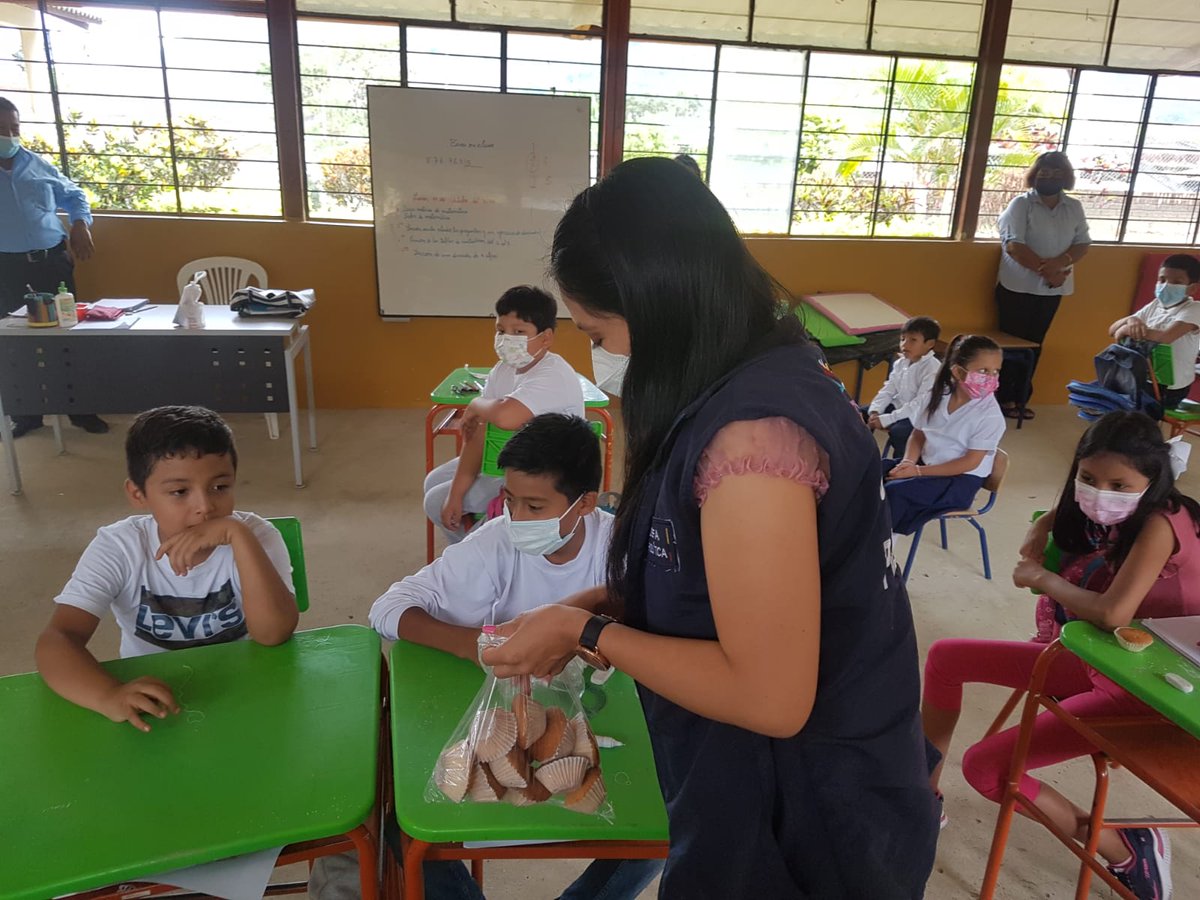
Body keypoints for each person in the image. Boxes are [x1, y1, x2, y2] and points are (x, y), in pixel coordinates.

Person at [478, 157, 939, 898]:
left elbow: (769, 699)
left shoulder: (751, 445)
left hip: (806, 816)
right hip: (767, 781)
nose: (607, 353)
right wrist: (599, 606)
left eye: (600, 330)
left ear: (662, 305)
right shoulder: (762, 368)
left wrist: (584, 633)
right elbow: (723, 577)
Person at [361, 414, 662, 900]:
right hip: (504, 722)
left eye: (535, 506)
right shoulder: (495, 543)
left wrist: (592, 622)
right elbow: (388, 609)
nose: (517, 518)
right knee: (407, 831)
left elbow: (664, 621)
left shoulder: (622, 548)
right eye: (510, 500)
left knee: (663, 824)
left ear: (585, 504)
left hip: (606, 723)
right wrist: (476, 646)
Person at [922, 411, 1198, 900]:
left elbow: (1111, 613)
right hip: (1102, 658)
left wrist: (1043, 578)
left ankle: (1127, 848)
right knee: (946, 657)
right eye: (1087, 478)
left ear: (1153, 480)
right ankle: (922, 795)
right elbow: (1077, 507)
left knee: (986, 769)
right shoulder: (1125, 508)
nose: (1099, 493)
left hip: (1149, 688)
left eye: (1118, 484)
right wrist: (1044, 523)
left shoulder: (1159, 525)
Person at [34, 405, 297, 730]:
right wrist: (108, 695)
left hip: (245, 687)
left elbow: (273, 634)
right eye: (179, 492)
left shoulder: (255, 535)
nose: (205, 507)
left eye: (220, 487)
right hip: (154, 699)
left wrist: (238, 535)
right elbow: (59, 638)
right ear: (138, 494)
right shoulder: (120, 547)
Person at [425, 285, 583, 544]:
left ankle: (488, 546)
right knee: (435, 484)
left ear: (546, 338)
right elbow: (478, 434)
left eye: (519, 332)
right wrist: (456, 494)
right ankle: (480, 545)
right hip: (506, 461)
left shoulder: (553, 374)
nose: (507, 339)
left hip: (544, 474)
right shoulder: (502, 370)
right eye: (501, 331)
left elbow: (505, 417)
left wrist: (475, 404)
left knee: (435, 500)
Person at [0, 95, 108, 437]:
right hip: (6, 268)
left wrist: (80, 225)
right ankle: (27, 415)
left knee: (66, 335)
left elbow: (75, 195)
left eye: (14, 128)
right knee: (13, 342)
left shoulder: (37, 165)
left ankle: (81, 410)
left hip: (51, 262)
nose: (9, 136)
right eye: (1, 130)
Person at [995, 150, 1091, 421]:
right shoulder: (1021, 204)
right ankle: (1001, 399)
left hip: (1053, 289)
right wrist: (1047, 271)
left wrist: (1061, 264)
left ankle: (1021, 397)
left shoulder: (1074, 207)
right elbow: (1014, 245)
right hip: (1016, 288)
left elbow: (1082, 243)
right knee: (1011, 346)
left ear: (1066, 177)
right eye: (1044, 173)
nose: (1049, 178)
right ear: (1035, 175)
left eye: (1056, 173)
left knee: (1035, 345)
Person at [882, 334, 1006, 536]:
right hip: (927, 466)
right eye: (983, 371)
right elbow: (918, 434)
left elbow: (970, 462)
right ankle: (852, 535)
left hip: (959, 481)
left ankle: (881, 546)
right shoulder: (938, 396)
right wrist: (907, 462)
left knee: (895, 492)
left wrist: (917, 472)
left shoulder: (990, 415)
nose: (991, 378)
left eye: (996, 371)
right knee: (871, 472)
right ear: (957, 371)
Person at [1108, 253, 1200, 410]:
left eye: (1177, 282)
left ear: (1192, 288)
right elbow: (1113, 330)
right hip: (1143, 377)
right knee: (1113, 401)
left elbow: (1164, 338)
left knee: (1135, 415)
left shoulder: (1195, 309)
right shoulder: (1155, 305)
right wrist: (1132, 320)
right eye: (1162, 280)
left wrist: (1126, 329)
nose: (1166, 286)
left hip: (1169, 387)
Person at [864, 315, 941, 458]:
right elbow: (888, 389)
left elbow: (919, 404)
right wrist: (875, 411)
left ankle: (903, 463)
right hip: (899, 406)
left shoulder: (933, 368)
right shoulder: (900, 363)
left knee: (900, 433)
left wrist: (887, 419)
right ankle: (858, 456)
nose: (905, 344)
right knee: (858, 414)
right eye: (903, 339)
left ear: (929, 344)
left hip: (919, 414)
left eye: (913, 340)